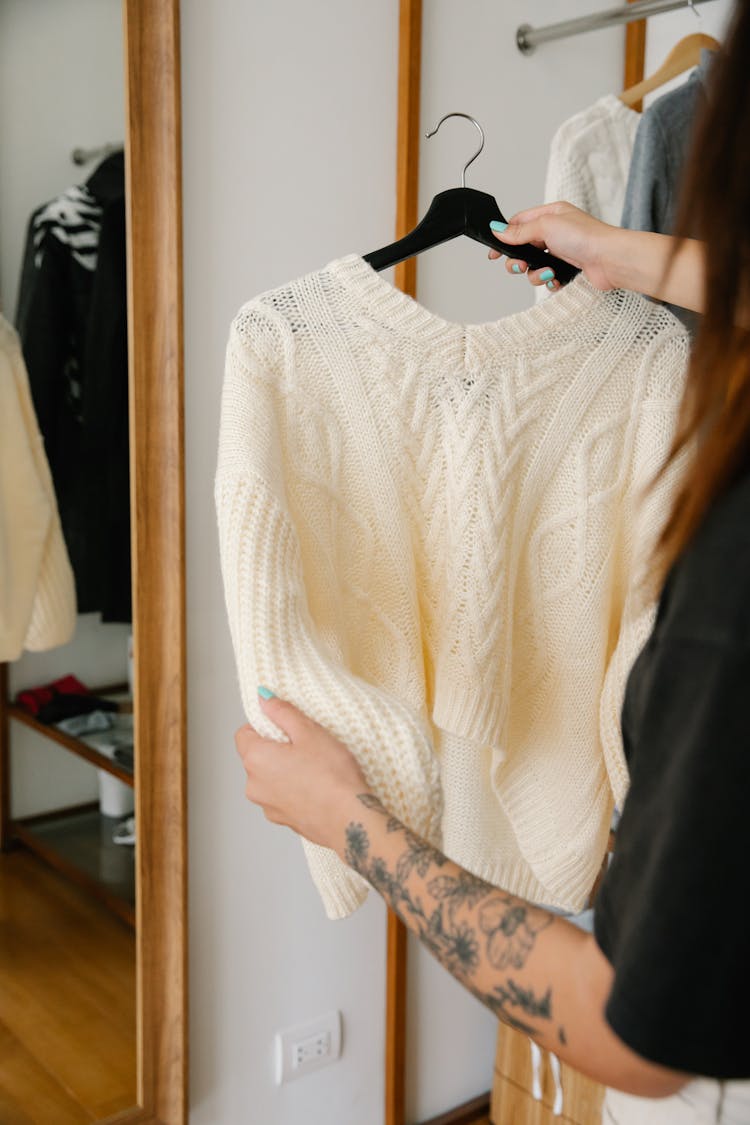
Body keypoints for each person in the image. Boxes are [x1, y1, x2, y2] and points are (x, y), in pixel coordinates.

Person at [233, 2, 750, 1119]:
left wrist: (351, 821)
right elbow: (268, 595)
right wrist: (629, 252)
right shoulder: (280, 345)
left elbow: (635, 1028)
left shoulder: (689, 459)